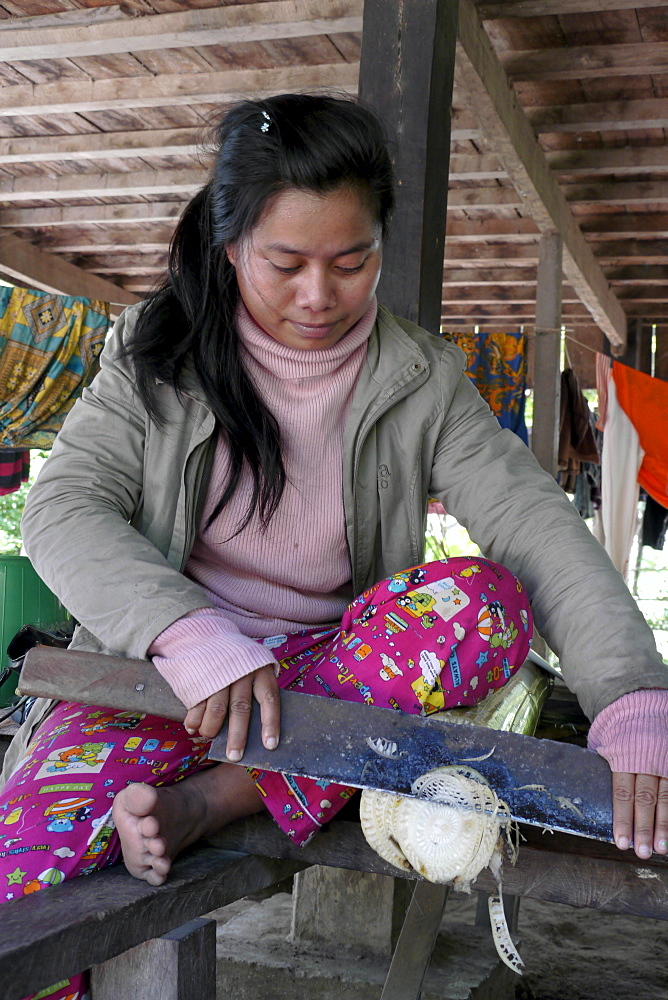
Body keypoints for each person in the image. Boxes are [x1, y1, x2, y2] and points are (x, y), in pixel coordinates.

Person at [1, 94, 667, 994]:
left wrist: (631, 698)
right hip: (161, 676)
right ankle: (221, 772)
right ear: (230, 245)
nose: (319, 296)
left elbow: (535, 526)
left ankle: (222, 796)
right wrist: (192, 633)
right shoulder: (152, 356)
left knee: (481, 602)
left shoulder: (422, 378)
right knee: (22, 877)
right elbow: (63, 509)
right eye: (285, 263)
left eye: (352, 263)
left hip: (328, 684)